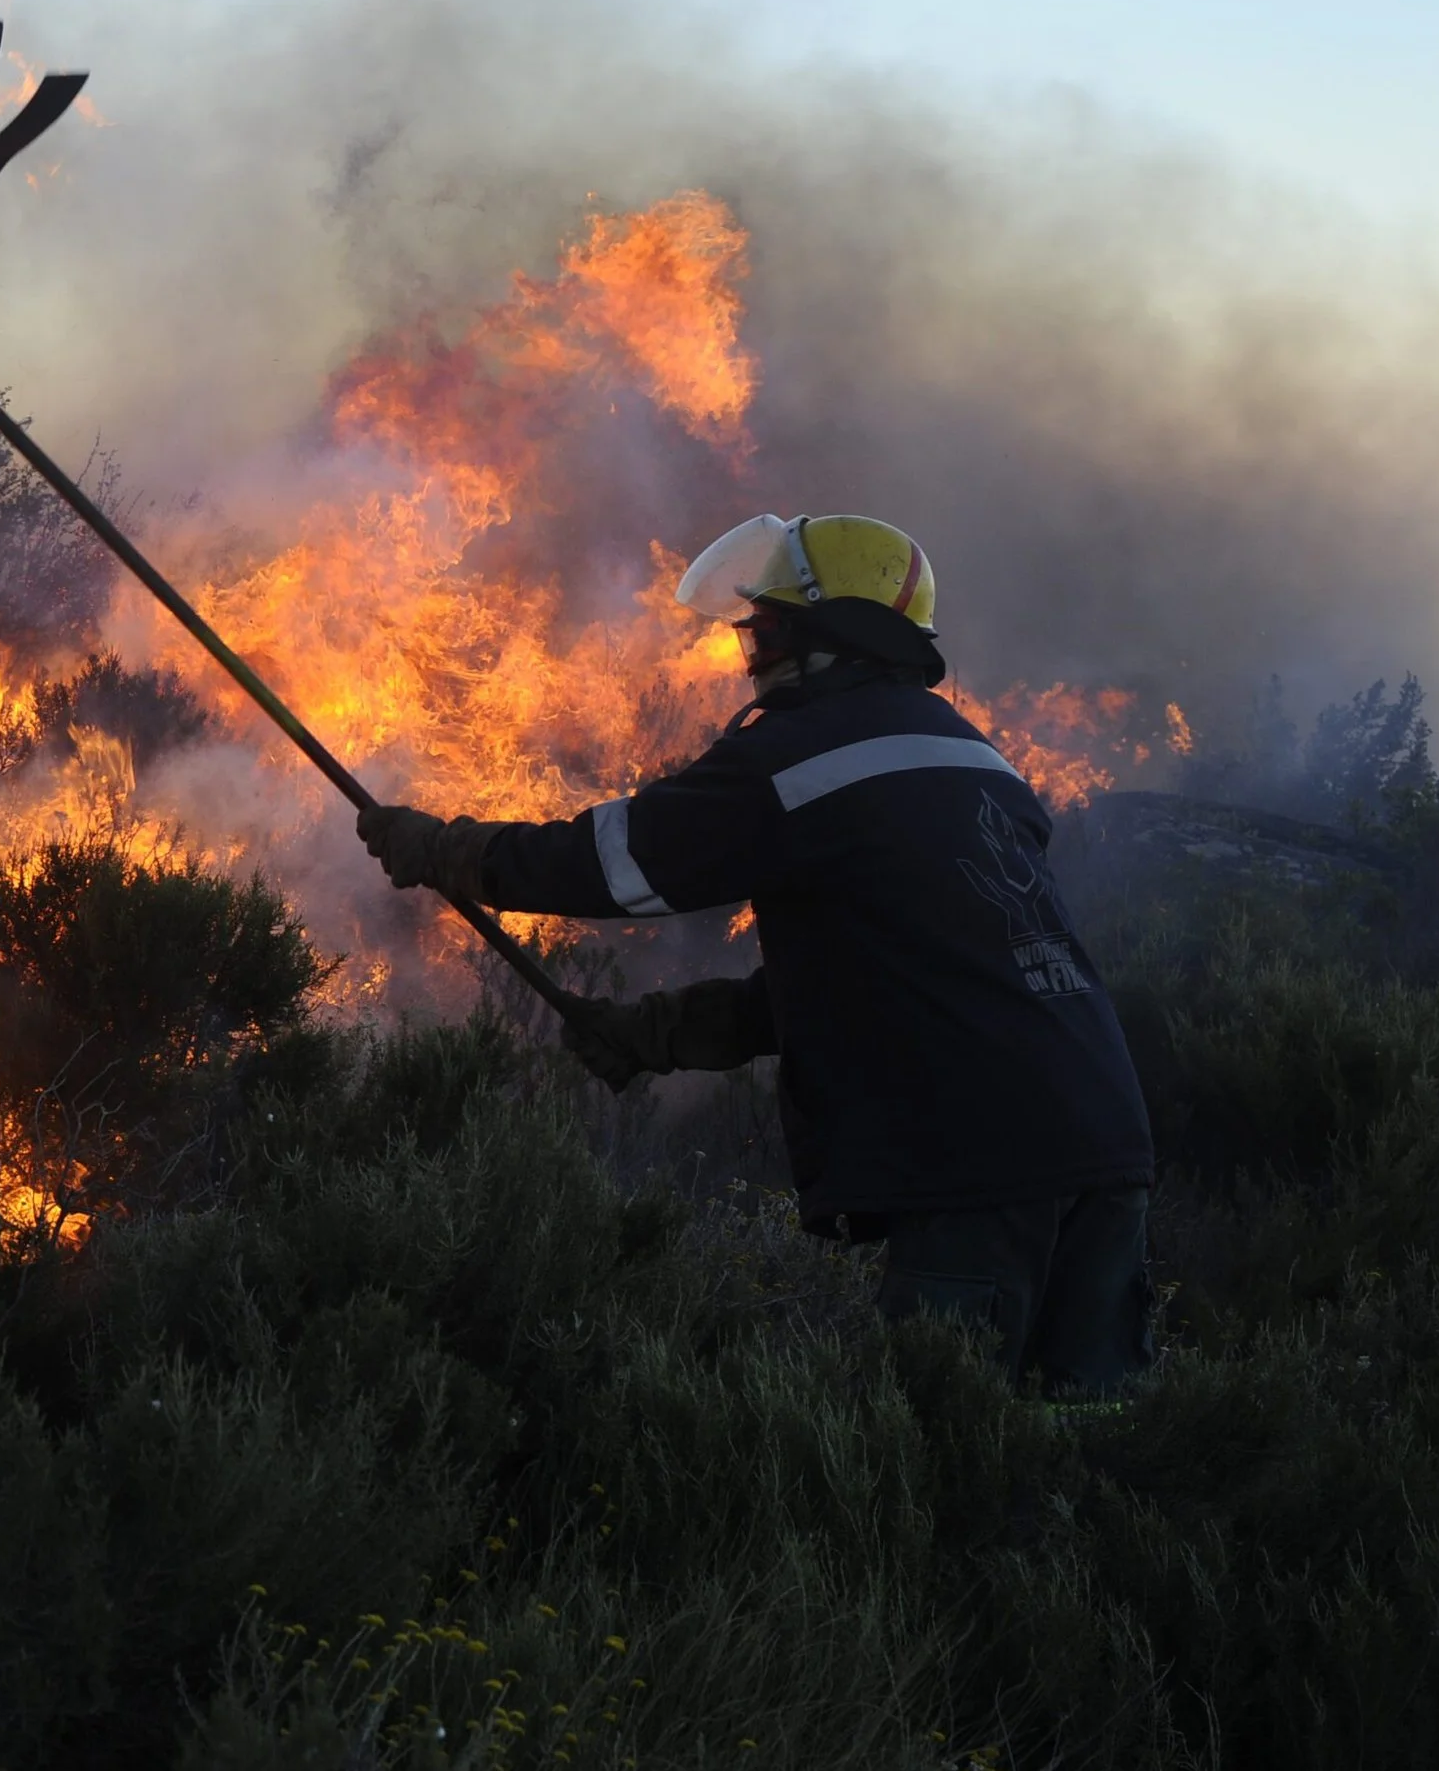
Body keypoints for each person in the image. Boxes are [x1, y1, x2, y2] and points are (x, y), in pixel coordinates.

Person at [356, 512, 1156, 1396]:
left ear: (828, 636)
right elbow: (898, 968)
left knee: (939, 1451)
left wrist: (448, 851)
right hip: (1101, 1137)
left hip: (980, 1157)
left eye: (767, 628)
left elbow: (619, 862)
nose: (752, 651)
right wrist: (667, 1030)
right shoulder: (974, 759)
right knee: (1084, 1446)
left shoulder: (801, 754)